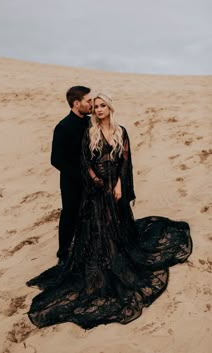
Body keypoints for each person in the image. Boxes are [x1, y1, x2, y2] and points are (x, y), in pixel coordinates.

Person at [26, 93, 192, 330]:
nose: (99, 109)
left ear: (110, 107)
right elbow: (85, 163)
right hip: (96, 188)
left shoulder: (121, 131)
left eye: (102, 105)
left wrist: (119, 184)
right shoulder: (89, 132)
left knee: (119, 225)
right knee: (97, 227)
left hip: (115, 183)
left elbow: (125, 160)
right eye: (95, 106)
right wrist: (97, 182)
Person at [50, 86, 92, 265]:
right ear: (77, 103)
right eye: (88, 101)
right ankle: (63, 253)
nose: (91, 104)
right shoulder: (63, 127)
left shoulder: (91, 122)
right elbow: (56, 160)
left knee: (91, 212)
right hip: (72, 181)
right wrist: (80, 176)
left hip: (93, 178)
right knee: (70, 214)